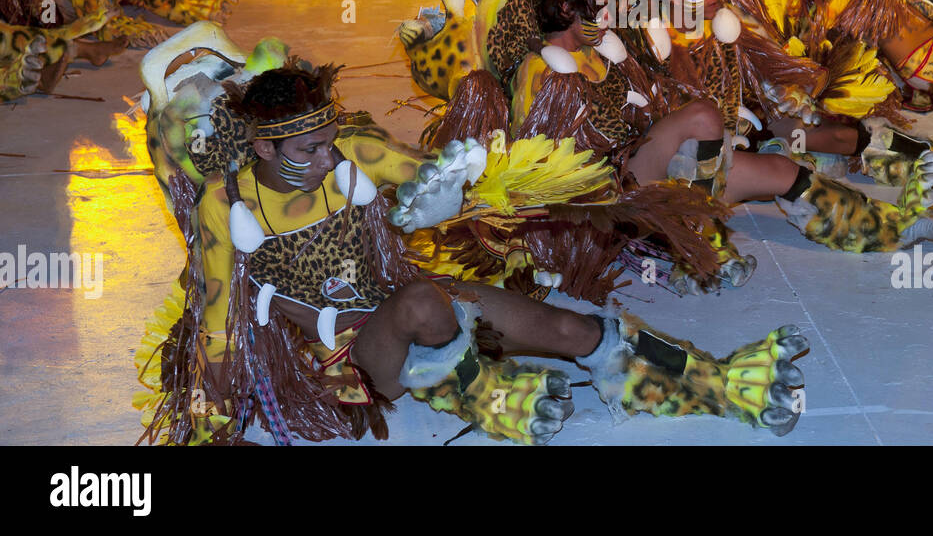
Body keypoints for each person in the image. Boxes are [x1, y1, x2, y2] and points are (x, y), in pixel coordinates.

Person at [136, 56, 808, 445]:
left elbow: (436, 178)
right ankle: (480, 387)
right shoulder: (227, 204)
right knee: (425, 301)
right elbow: (221, 322)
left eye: (328, 141)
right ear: (262, 148)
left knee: (569, 326)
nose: (324, 158)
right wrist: (207, 419)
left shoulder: (349, 150)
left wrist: (462, 191)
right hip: (338, 355)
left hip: (403, 298)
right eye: (307, 151)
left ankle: (715, 381)